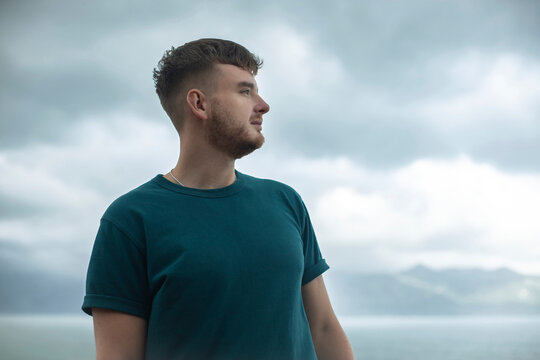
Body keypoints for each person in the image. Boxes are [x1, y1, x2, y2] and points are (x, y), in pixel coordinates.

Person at [82, 38, 354, 360]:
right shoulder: (129, 220)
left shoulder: (285, 202)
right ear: (199, 104)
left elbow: (323, 328)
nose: (263, 105)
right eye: (245, 91)